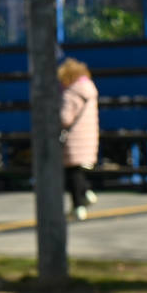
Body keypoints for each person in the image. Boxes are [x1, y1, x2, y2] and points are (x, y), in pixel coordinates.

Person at [58, 57, 100, 221]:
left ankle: (79, 205)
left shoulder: (71, 93)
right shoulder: (90, 88)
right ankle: (85, 193)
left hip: (74, 137)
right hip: (88, 136)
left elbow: (65, 118)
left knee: (71, 170)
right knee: (77, 169)